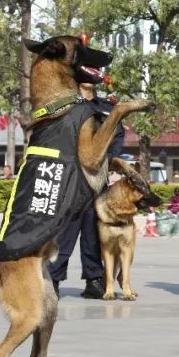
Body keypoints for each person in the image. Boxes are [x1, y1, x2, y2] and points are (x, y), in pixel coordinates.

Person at [49, 77, 125, 298]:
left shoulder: (106, 107)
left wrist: (109, 158)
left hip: (98, 176)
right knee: (65, 230)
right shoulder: (64, 105)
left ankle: (93, 279)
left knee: (94, 228)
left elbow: (117, 133)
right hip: (71, 175)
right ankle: (53, 278)